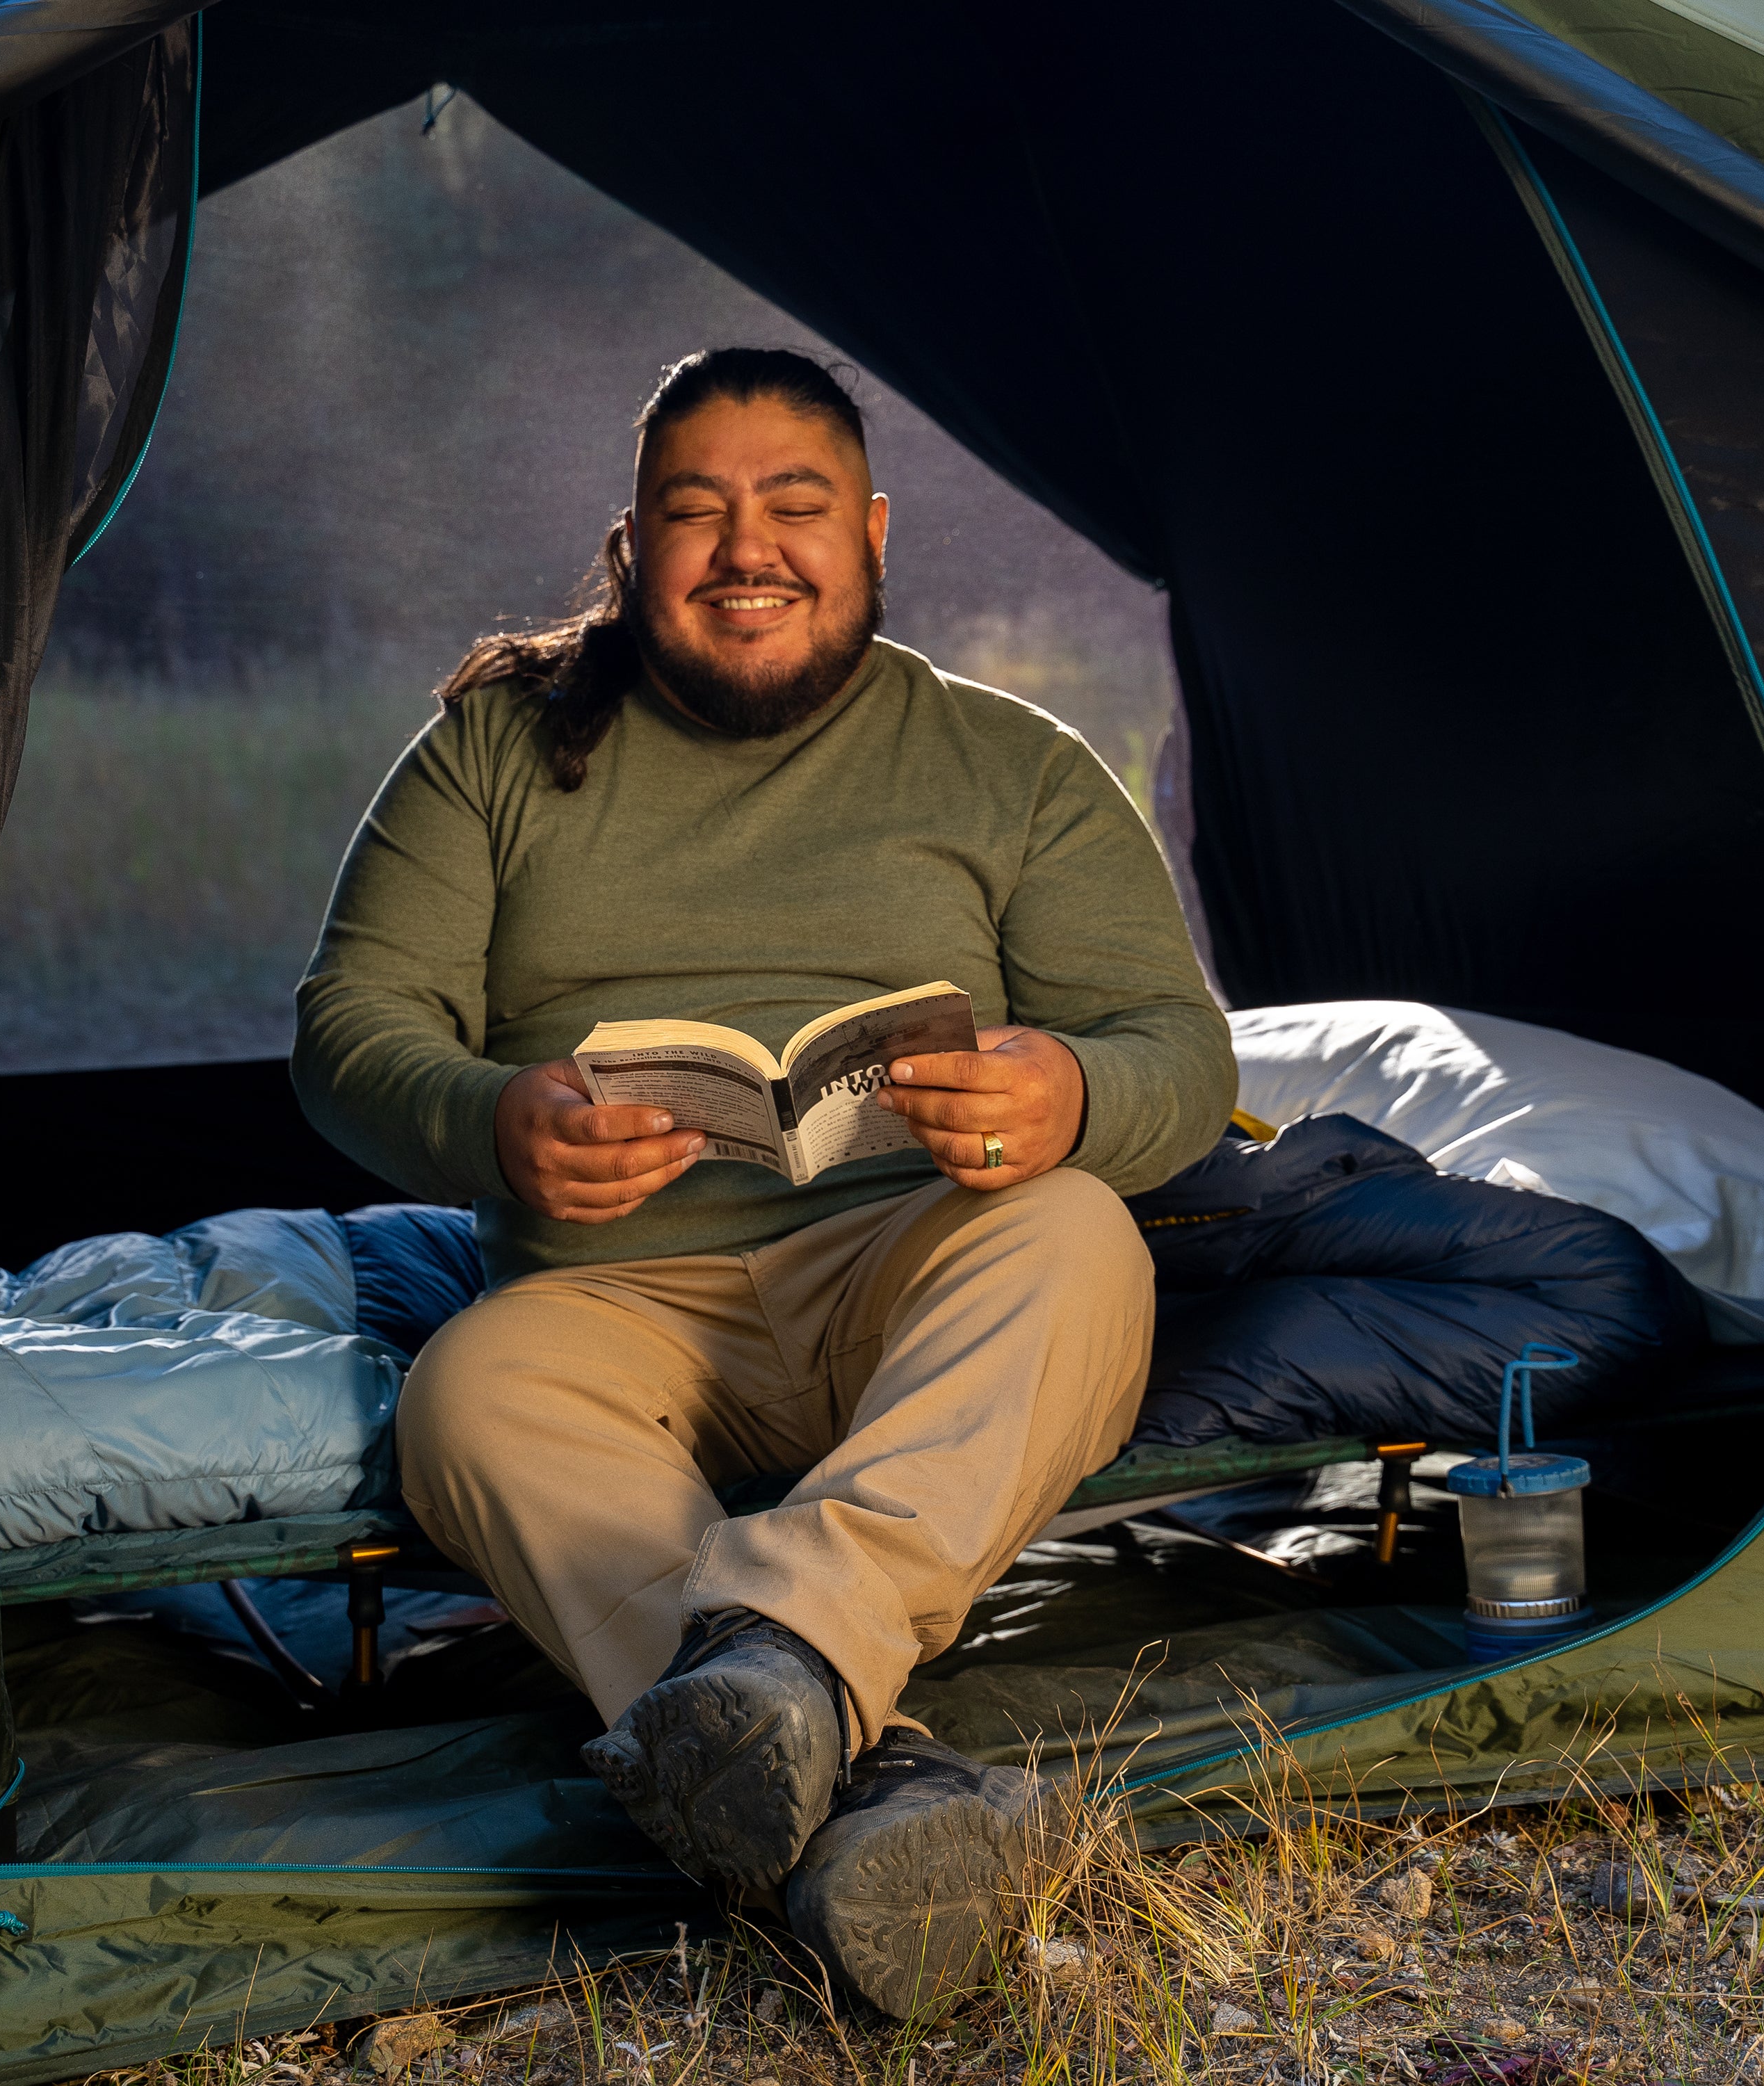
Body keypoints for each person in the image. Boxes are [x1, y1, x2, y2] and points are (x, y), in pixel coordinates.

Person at [293, 348, 1234, 2013]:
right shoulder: (492, 751)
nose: (748, 549)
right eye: (696, 510)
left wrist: (1070, 1091)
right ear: (633, 541)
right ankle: (874, 1792)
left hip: (910, 1271)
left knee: (1079, 1234)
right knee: (468, 1392)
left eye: (795, 506)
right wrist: (495, 1120)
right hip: (613, 1300)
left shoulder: (1014, 766)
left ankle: (786, 1671)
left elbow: (1183, 1050)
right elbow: (349, 1028)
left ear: (871, 532)